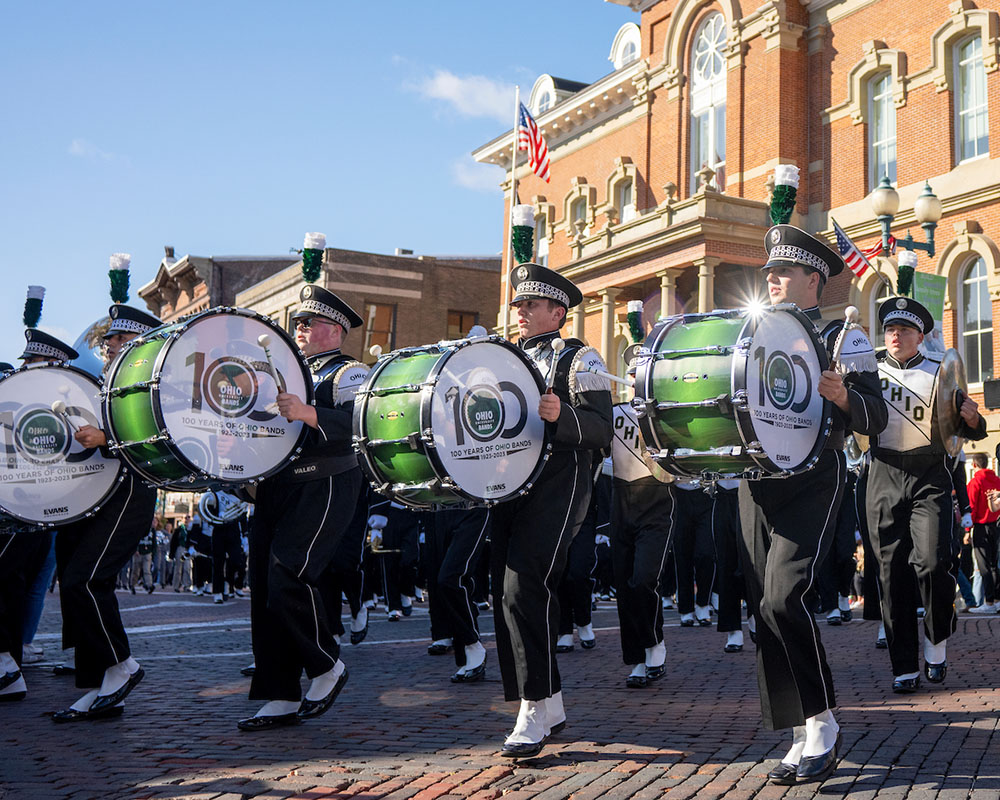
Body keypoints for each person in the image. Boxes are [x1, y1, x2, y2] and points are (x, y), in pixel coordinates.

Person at [739, 225, 888, 784]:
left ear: (813, 280)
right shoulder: (753, 331)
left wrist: (844, 395)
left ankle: (823, 721)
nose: (772, 280)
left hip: (813, 476)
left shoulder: (843, 337)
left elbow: (876, 418)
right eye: (769, 273)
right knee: (763, 609)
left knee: (784, 597)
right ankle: (799, 728)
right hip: (756, 479)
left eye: (783, 272)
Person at [490, 262, 613, 757]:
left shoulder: (580, 357)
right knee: (508, 592)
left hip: (561, 482)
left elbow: (602, 428)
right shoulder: (503, 358)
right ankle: (552, 701)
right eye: (518, 304)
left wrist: (563, 416)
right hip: (506, 484)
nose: (520, 312)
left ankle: (533, 706)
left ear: (557, 312)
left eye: (530, 305)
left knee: (523, 588)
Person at [239, 284, 365, 731]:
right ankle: (279, 693)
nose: (300, 329)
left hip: (325, 480)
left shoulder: (349, 373)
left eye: (308, 323)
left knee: (288, 574)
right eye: (298, 323)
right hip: (277, 486)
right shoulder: (286, 369)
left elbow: (363, 425)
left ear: (334, 329)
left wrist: (310, 413)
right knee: (263, 589)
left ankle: (326, 664)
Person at [51, 285, 162, 722]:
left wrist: (106, 439)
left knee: (86, 579)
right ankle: (97, 686)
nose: (108, 345)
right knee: (77, 581)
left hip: (130, 493)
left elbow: (156, 438)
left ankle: (121, 666)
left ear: (136, 342)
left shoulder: (151, 385)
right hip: (96, 494)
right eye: (108, 339)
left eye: (115, 340)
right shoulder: (108, 385)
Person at [867, 297, 987, 694]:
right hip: (883, 473)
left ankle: (936, 643)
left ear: (921, 335)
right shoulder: (867, 371)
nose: (896, 335)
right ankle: (903, 666)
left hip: (930, 475)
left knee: (935, 562)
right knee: (891, 572)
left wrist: (973, 418)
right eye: (890, 329)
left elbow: (967, 425)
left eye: (904, 329)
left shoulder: (942, 372)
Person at [0, 321, 79, 702]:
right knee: (10, 589)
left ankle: (8, 666)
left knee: (12, 586)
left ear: (50, 362)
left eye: (32, 360)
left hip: (27, 514)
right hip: (18, 515)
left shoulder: (56, 405)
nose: (25, 365)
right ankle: (9, 668)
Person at [608, 362, 675, 688]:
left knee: (643, 578)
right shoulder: (615, 412)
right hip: (622, 503)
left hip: (657, 504)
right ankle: (637, 656)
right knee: (625, 584)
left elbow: (676, 466)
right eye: (633, 375)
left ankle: (654, 643)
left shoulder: (666, 414)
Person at [423, 507, 490, 682]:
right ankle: (465, 654)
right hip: (441, 507)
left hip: (476, 504)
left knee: (452, 577)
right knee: (444, 581)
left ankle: (473, 644)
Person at [965, 452, 1000, 614]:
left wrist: (967, 531)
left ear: (974, 465)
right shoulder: (996, 480)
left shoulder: (975, 482)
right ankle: (996, 600)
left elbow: (971, 506)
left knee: (983, 566)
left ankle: (989, 602)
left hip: (981, 526)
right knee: (994, 565)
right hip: (995, 525)